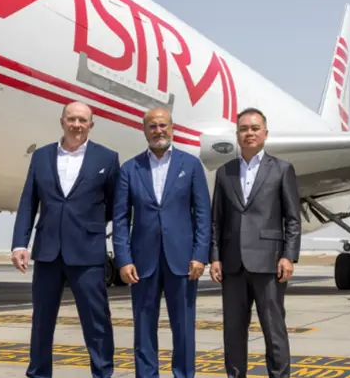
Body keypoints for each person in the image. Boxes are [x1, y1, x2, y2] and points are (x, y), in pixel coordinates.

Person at [10, 101, 121, 378]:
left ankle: (102, 373)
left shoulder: (107, 158)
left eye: (83, 120)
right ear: (62, 121)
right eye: (71, 119)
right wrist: (19, 244)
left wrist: (89, 226)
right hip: (47, 253)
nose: (77, 125)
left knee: (96, 323)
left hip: (87, 252)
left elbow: (115, 205)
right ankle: (38, 373)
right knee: (41, 322)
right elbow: (28, 203)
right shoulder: (41, 157)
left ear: (91, 125)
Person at [112, 107, 211, 378]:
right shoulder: (130, 169)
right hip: (142, 263)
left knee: (184, 328)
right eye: (152, 126)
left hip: (183, 261)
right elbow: (120, 218)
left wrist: (200, 255)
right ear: (144, 131)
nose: (159, 131)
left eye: (163, 125)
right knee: (143, 328)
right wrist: (123, 259)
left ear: (172, 128)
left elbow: (203, 214)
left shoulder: (190, 165)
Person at [209, 107, 302, 378]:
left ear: (265, 133)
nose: (249, 133)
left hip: (269, 263)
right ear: (237, 135)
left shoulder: (282, 169)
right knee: (233, 332)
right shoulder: (224, 173)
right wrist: (214, 257)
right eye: (243, 129)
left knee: (274, 331)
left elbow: (292, 218)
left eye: (254, 128)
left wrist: (289, 255)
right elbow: (217, 220)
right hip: (232, 264)